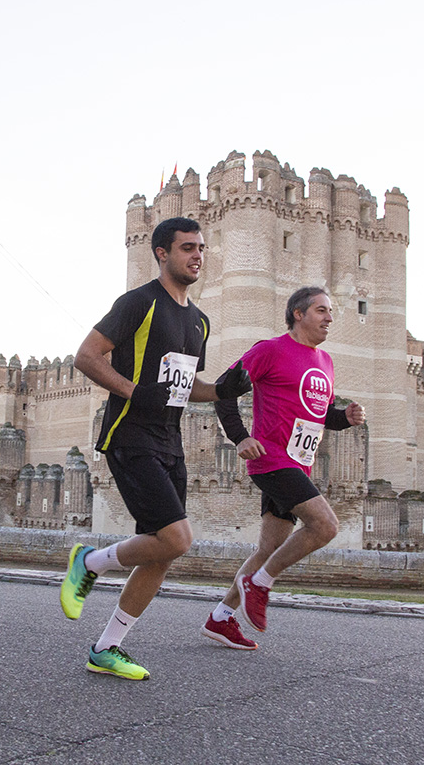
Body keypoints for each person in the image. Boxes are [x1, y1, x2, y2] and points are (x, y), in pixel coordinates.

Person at [61, 216, 251, 680]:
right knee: (178, 537)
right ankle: (90, 561)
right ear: (162, 253)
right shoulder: (138, 303)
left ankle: (106, 648)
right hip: (129, 434)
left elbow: (186, 389)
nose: (197, 256)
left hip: (170, 441)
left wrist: (225, 390)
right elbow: (86, 356)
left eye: (201, 248)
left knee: (162, 551)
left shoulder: (199, 323)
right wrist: (132, 391)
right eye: (187, 248)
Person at [202, 286, 365, 650]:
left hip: (299, 463)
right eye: (321, 310)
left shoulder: (324, 362)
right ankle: (259, 584)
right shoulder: (270, 350)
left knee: (267, 549)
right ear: (298, 314)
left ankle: (220, 619)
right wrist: (241, 437)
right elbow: (223, 391)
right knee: (324, 526)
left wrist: (345, 419)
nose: (329, 318)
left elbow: (317, 416)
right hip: (271, 459)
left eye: (331, 311)